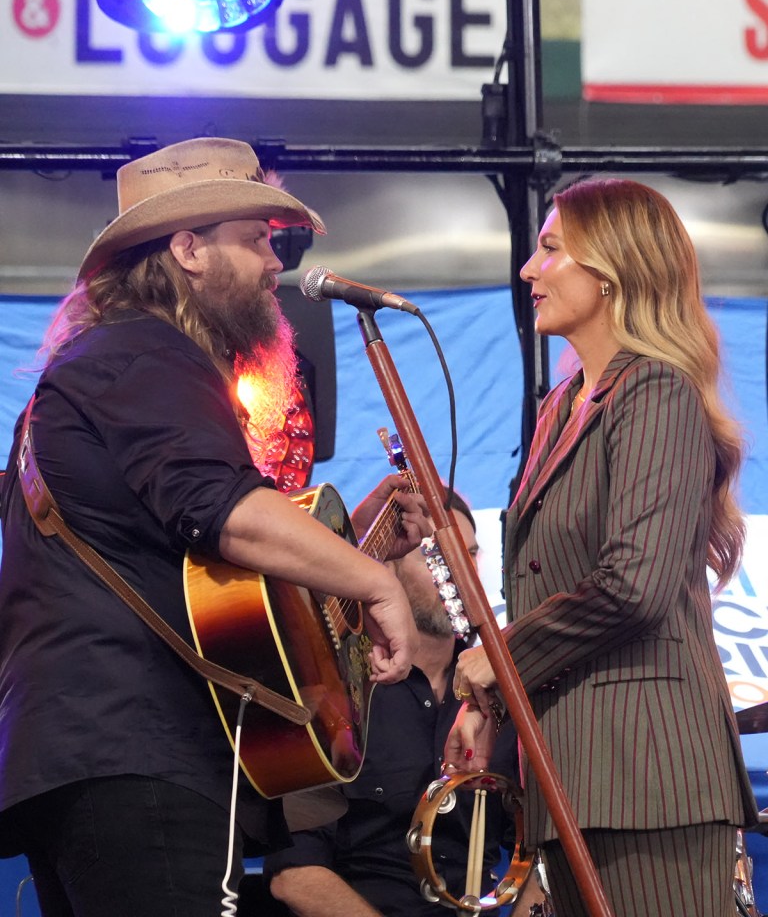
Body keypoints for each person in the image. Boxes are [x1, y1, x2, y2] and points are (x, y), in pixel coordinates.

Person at [0, 137, 432, 917]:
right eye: (257, 239)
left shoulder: (98, 368)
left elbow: (193, 575)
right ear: (189, 250)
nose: (277, 263)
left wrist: (348, 540)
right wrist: (372, 580)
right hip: (142, 754)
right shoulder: (145, 354)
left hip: (88, 751)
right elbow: (223, 511)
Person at [445, 177, 760, 917]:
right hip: (570, 775)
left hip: (648, 777)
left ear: (612, 271)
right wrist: (493, 699)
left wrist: (503, 658)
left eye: (552, 248)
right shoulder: (560, 408)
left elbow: (634, 586)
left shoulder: (657, 392)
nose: (527, 268)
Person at [260, 489, 526, 917]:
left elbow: (537, 855)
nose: (462, 573)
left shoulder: (502, 693)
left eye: (471, 554)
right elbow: (295, 874)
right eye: (436, 557)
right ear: (385, 573)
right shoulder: (337, 692)